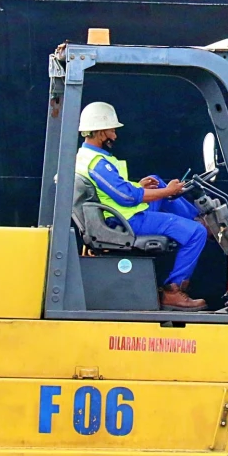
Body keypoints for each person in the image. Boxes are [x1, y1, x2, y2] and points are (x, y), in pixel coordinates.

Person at [75, 101, 209, 312]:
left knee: (155, 179)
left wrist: (140, 185)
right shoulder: (97, 163)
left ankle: (198, 218)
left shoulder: (86, 157)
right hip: (125, 220)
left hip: (119, 214)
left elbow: (114, 191)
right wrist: (168, 192)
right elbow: (126, 198)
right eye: (112, 130)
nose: (115, 136)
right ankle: (173, 291)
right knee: (196, 234)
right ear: (101, 133)